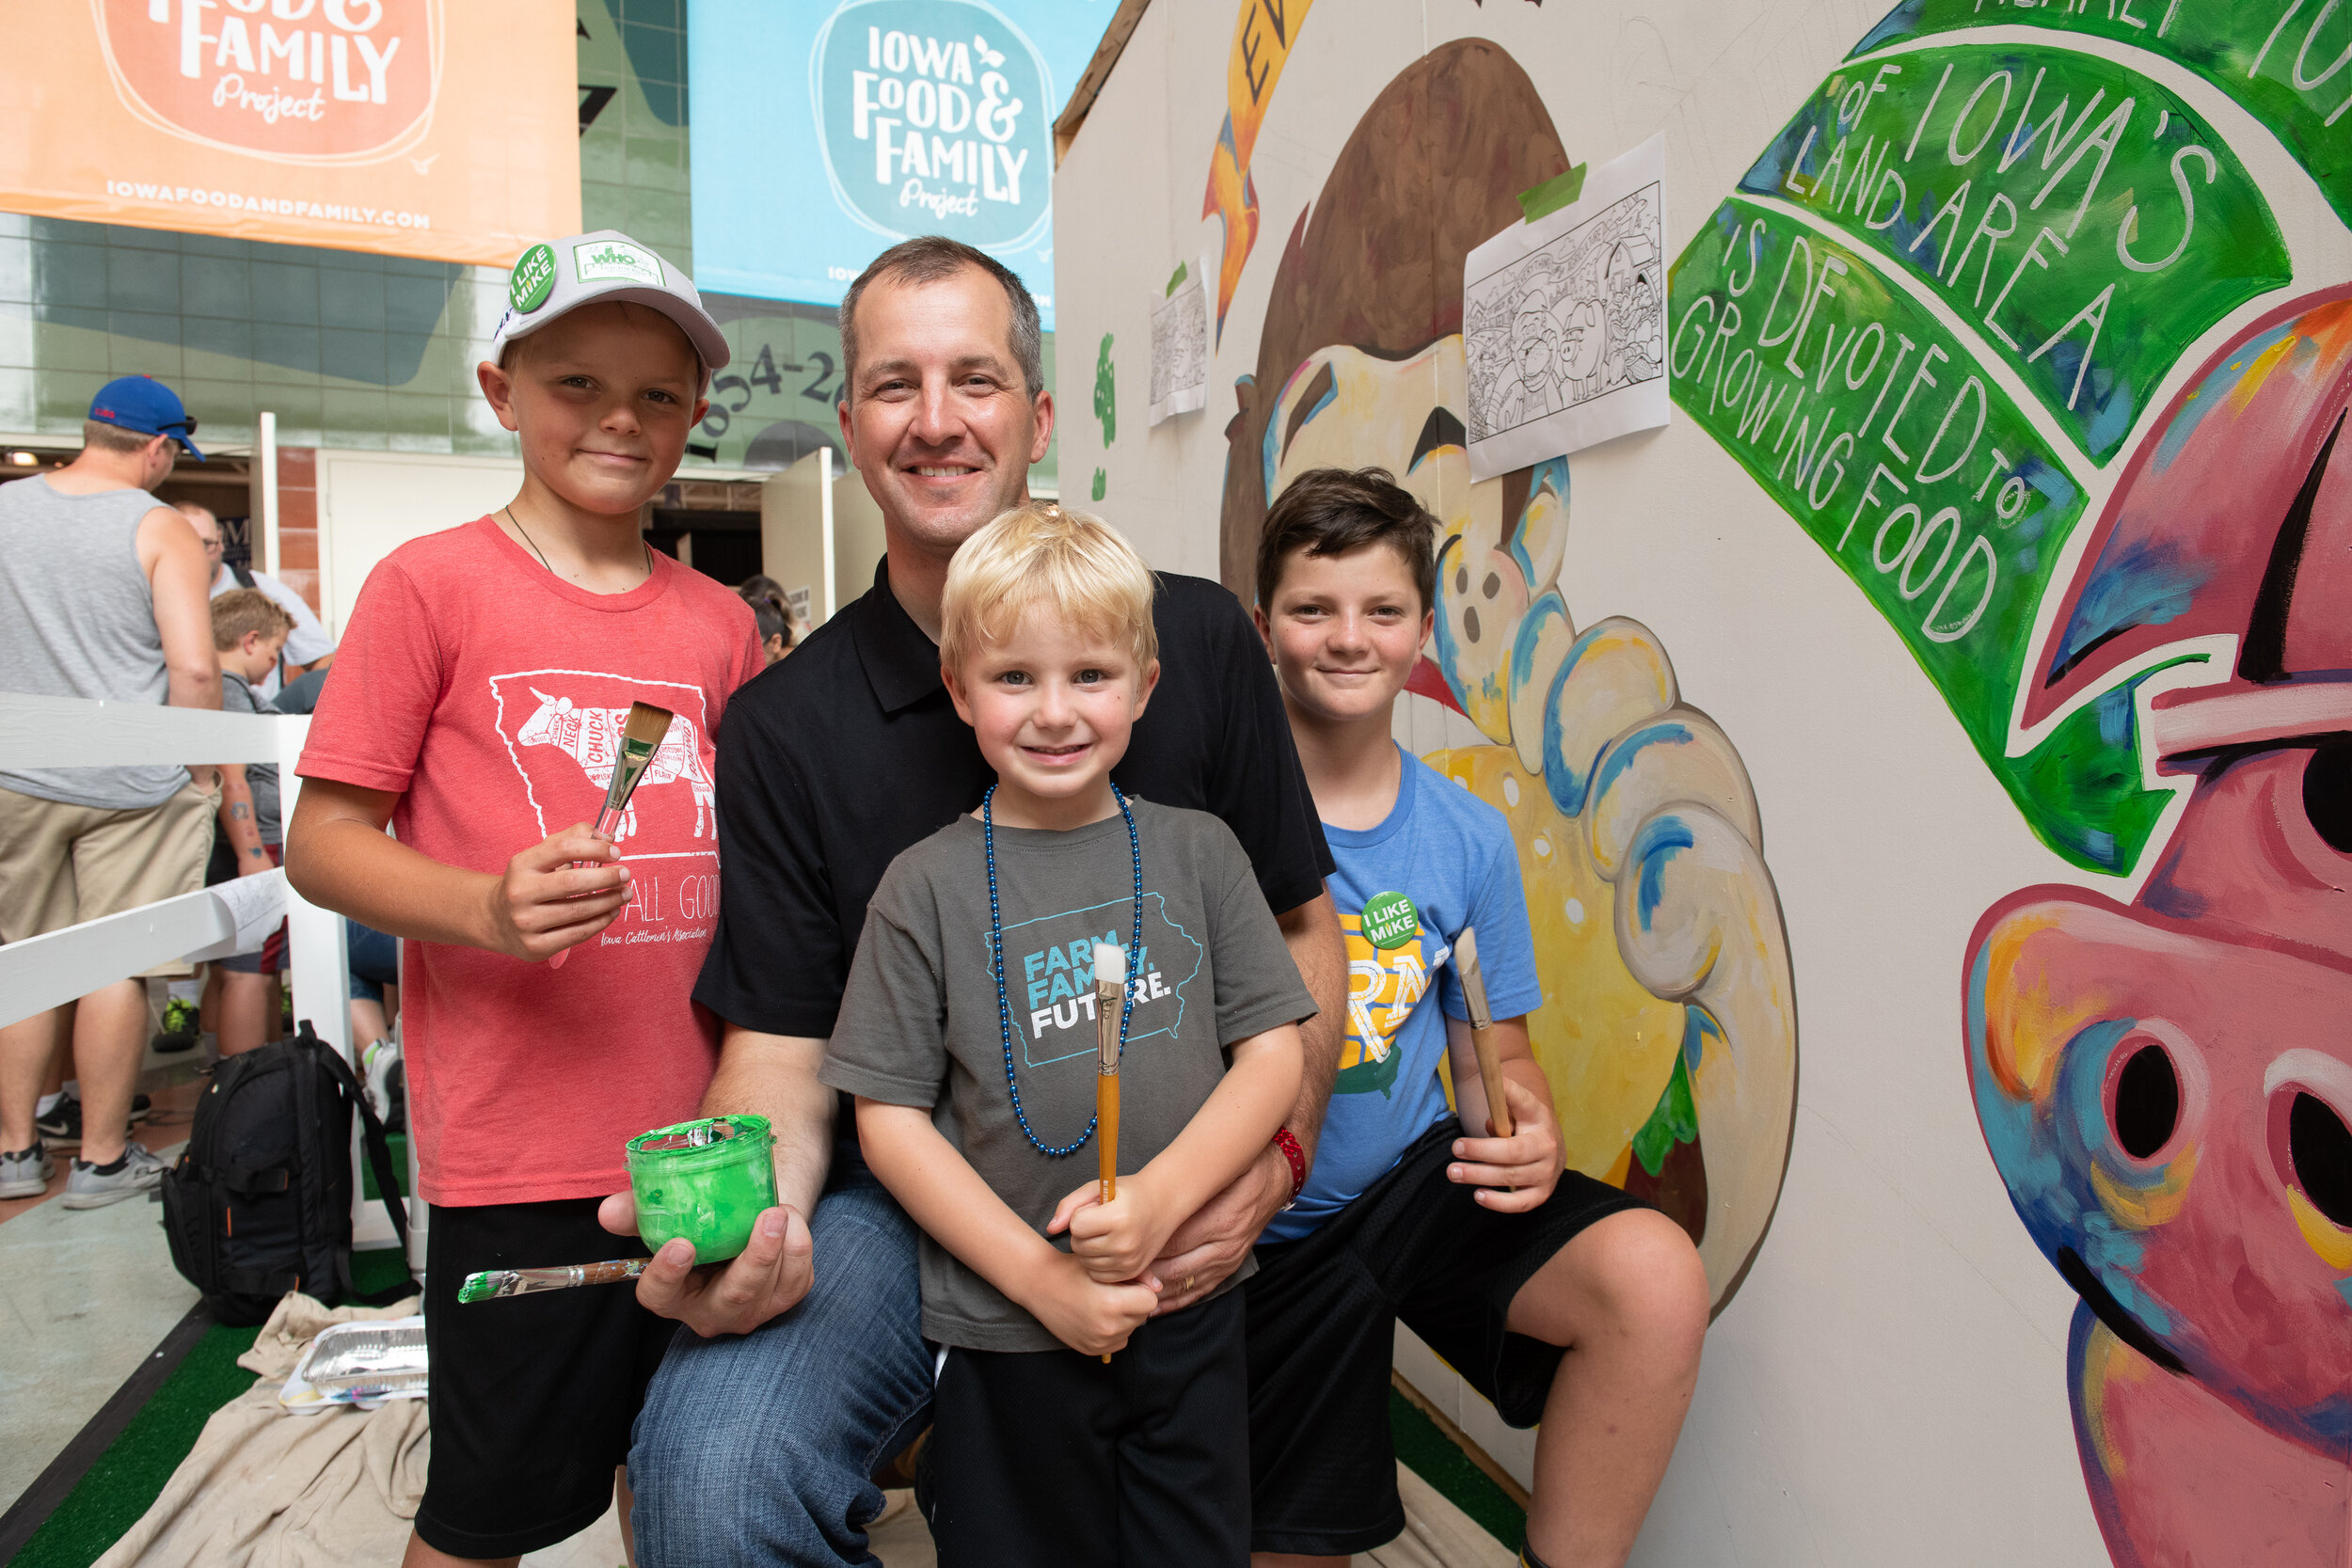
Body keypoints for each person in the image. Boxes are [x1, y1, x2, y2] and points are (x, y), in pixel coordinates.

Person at [613, 235, 1347, 1568]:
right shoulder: (786, 726)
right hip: (909, 1199)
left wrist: (1274, 1160)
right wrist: (755, 1228)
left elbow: (1302, 933)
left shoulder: (1201, 641)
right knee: (709, 1480)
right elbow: (778, 1048)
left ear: (1038, 413)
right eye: (896, 384)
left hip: (1169, 1173)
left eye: (977, 379)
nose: (938, 420)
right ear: (848, 423)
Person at [283, 230, 762, 1567]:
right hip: (520, 1150)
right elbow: (322, 842)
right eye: (576, 384)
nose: (620, 417)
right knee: (491, 1502)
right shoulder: (429, 587)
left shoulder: (720, 626)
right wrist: (483, 907)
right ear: (502, 392)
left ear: (693, 416)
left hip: (705, 1133)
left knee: (670, 1460)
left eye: (657, 394)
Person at [822, 503, 1311, 1563]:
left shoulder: (1202, 851)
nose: (1054, 712)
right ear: (957, 687)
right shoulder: (923, 886)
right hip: (1005, 1329)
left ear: (1144, 684)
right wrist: (1041, 1281)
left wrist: (1165, 1202)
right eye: (1013, 678)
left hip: (1190, 1307)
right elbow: (890, 1121)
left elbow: (1272, 1053)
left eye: (1090, 675)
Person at [1248, 467, 1709, 1568]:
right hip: (1258, 1226)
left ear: (1422, 635)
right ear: (1262, 622)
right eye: (1313, 608)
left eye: (1382, 610)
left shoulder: (1467, 836)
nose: (1347, 637)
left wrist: (1529, 1120)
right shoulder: (1207, 815)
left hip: (1411, 1183)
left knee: (1651, 1274)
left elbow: (1493, 1044)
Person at [0, 375, 220, 1208]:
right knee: (115, 966)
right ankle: (100, 1158)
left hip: (16, 773)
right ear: (159, 447)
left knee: (23, 962)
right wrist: (200, 768)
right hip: (128, 779)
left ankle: (14, 1151)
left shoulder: (8, 508)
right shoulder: (154, 523)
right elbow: (196, 666)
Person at [207, 588, 295, 1056]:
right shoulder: (234, 692)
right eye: (275, 652)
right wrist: (253, 853)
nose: (272, 663)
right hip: (255, 843)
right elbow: (232, 774)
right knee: (251, 967)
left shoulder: (222, 690)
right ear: (250, 641)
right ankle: (243, 1078)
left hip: (246, 843)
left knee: (234, 965)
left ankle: (237, 1071)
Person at [177, 500, 335, 698]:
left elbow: (322, 659)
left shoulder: (263, 590)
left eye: (206, 544)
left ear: (220, 541)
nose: (196, 552)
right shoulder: (150, 596)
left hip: (259, 716)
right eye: (184, 542)